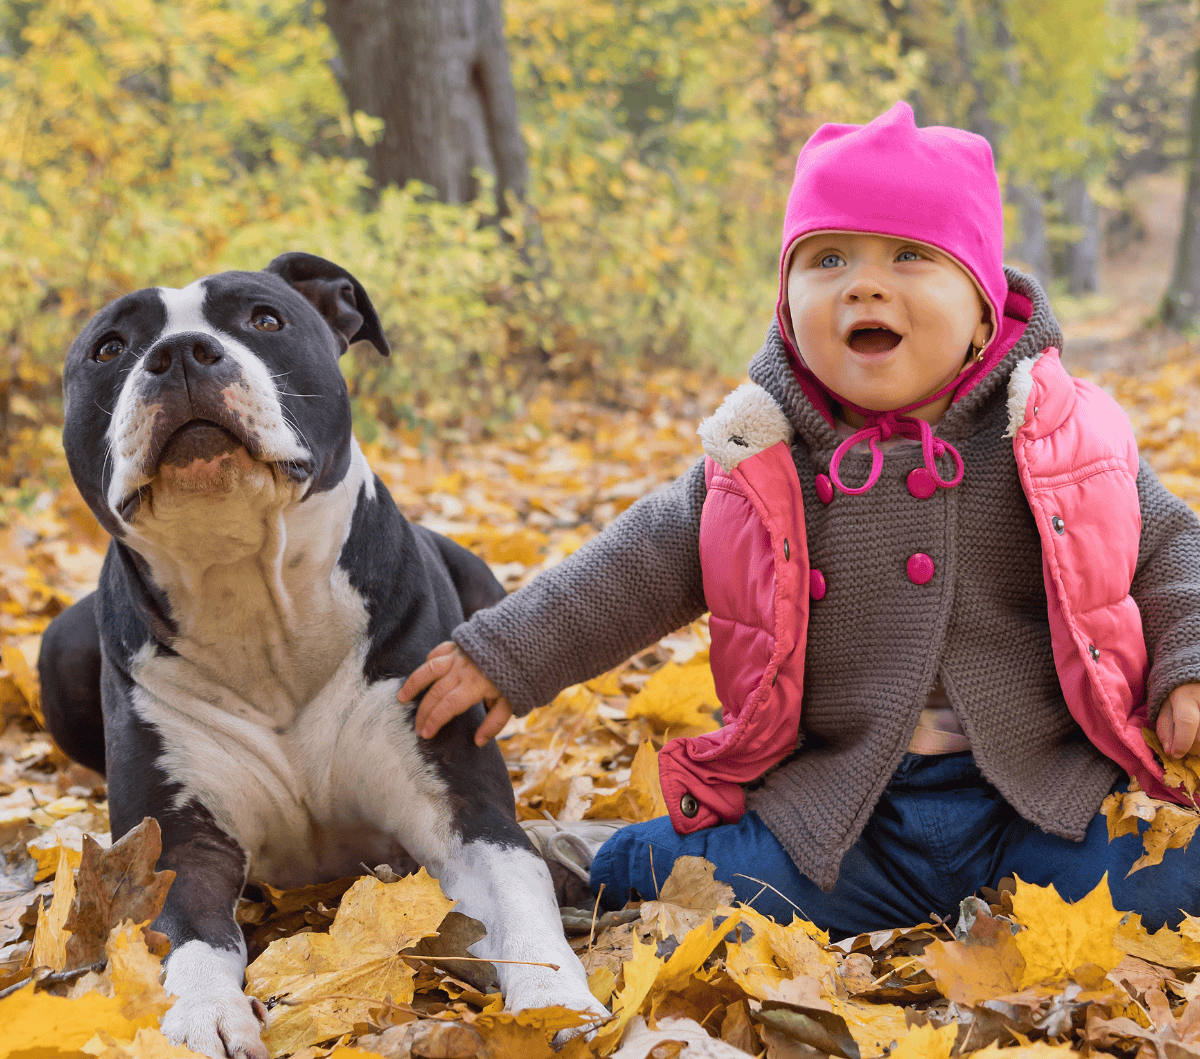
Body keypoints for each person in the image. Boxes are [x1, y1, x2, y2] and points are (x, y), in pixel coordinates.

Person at [398, 102, 1200, 936]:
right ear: (787, 305)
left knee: (1161, 878)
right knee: (718, 891)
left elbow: (1173, 545)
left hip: (1047, 799)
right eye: (826, 259)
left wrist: (1188, 659)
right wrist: (510, 651)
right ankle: (591, 862)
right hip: (845, 817)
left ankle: (1015, 910)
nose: (863, 282)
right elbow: (638, 566)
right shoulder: (763, 457)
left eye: (911, 257)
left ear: (985, 310)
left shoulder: (1048, 435)